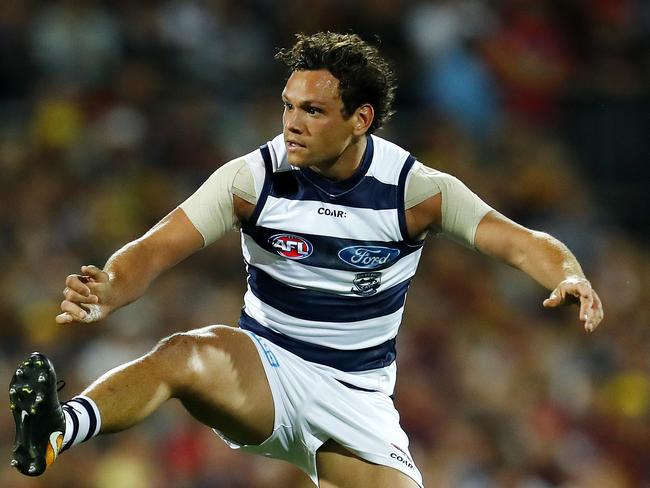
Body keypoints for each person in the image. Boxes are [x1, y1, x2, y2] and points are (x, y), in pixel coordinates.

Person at [9, 32, 603, 488]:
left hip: (359, 397)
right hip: (267, 368)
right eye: (288, 105)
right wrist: (110, 287)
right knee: (187, 353)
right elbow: (158, 246)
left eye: (313, 111)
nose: (292, 122)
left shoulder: (414, 191)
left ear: (360, 119)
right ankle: (59, 429)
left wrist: (569, 274)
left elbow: (521, 241)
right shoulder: (252, 178)